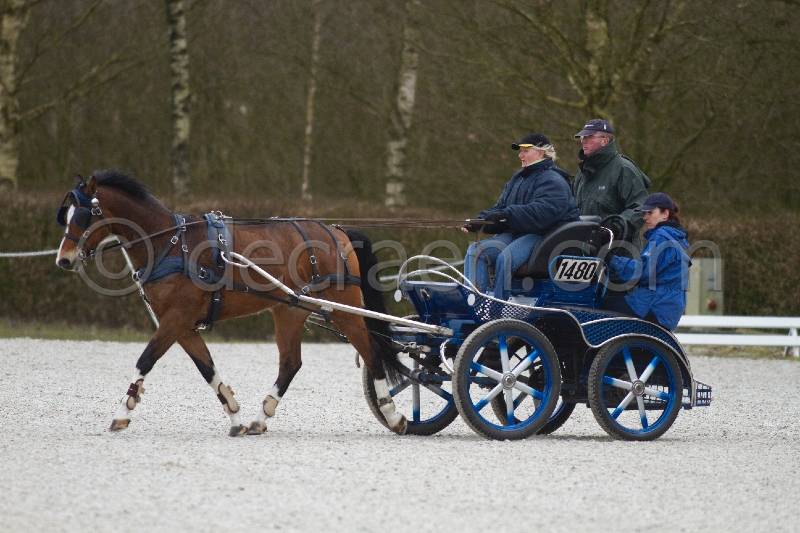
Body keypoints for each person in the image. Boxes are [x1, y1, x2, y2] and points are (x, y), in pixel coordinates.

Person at [463, 133, 579, 299]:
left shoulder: (554, 180)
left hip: (545, 235)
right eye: (520, 151)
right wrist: (481, 222)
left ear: (541, 152)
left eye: (525, 151)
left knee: (506, 258)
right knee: (476, 252)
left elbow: (542, 214)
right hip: (518, 232)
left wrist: (506, 215)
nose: (520, 155)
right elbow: (500, 209)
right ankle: (475, 303)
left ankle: (499, 306)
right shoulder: (518, 179)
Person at [603, 192, 691, 331]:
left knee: (603, 305)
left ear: (665, 214)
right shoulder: (674, 238)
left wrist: (612, 259)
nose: (645, 217)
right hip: (666, 308)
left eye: (650, 212)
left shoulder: (661, 237)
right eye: (644, 213)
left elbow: (643, 272)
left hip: (655, 306)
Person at [572, 119, 651, 242]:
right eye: (582, 137)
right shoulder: (582, 174)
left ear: (604, 140)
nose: (583, 141)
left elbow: (640, 207)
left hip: (619, 248)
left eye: (589, 137)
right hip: (585, 248)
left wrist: (615, 227)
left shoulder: (624, 169)